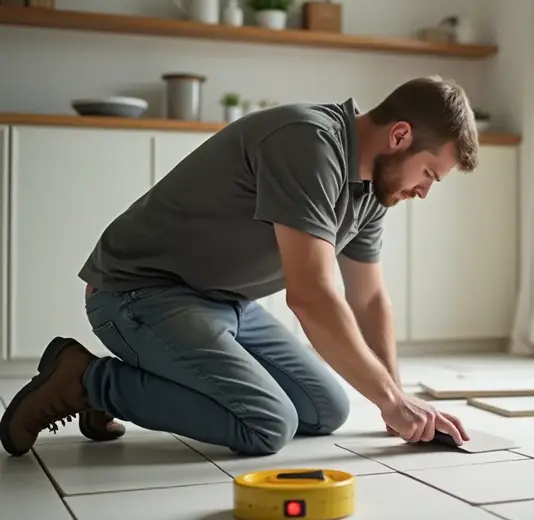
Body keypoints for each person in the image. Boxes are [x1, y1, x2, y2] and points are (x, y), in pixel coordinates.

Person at [0, 75, 476, 457]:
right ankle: (88, 381)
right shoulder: (308, 142)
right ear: (400, 136)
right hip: (137, 292)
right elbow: (312, 296)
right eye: (430, 173)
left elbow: (368, 298)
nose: (425, 191)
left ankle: (146, 378)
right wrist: (391, 400)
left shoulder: (374, 191)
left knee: (326, 409)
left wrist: (395, 399)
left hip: (226, 303)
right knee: (268, 424)